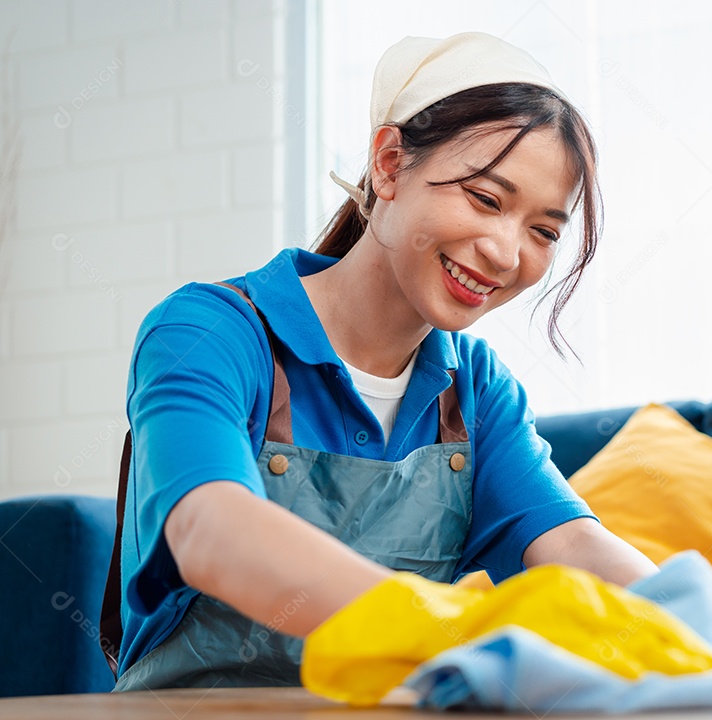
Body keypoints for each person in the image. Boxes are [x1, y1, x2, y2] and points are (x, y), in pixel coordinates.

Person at [103, 31, 659, 691]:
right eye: (486, 199)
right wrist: (446, 627)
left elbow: (571, 547)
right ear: (390, 164)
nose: (508, 253)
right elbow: (211, 530)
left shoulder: (474, 390)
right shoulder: (211, 332)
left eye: (542, 231)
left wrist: (702, 630)